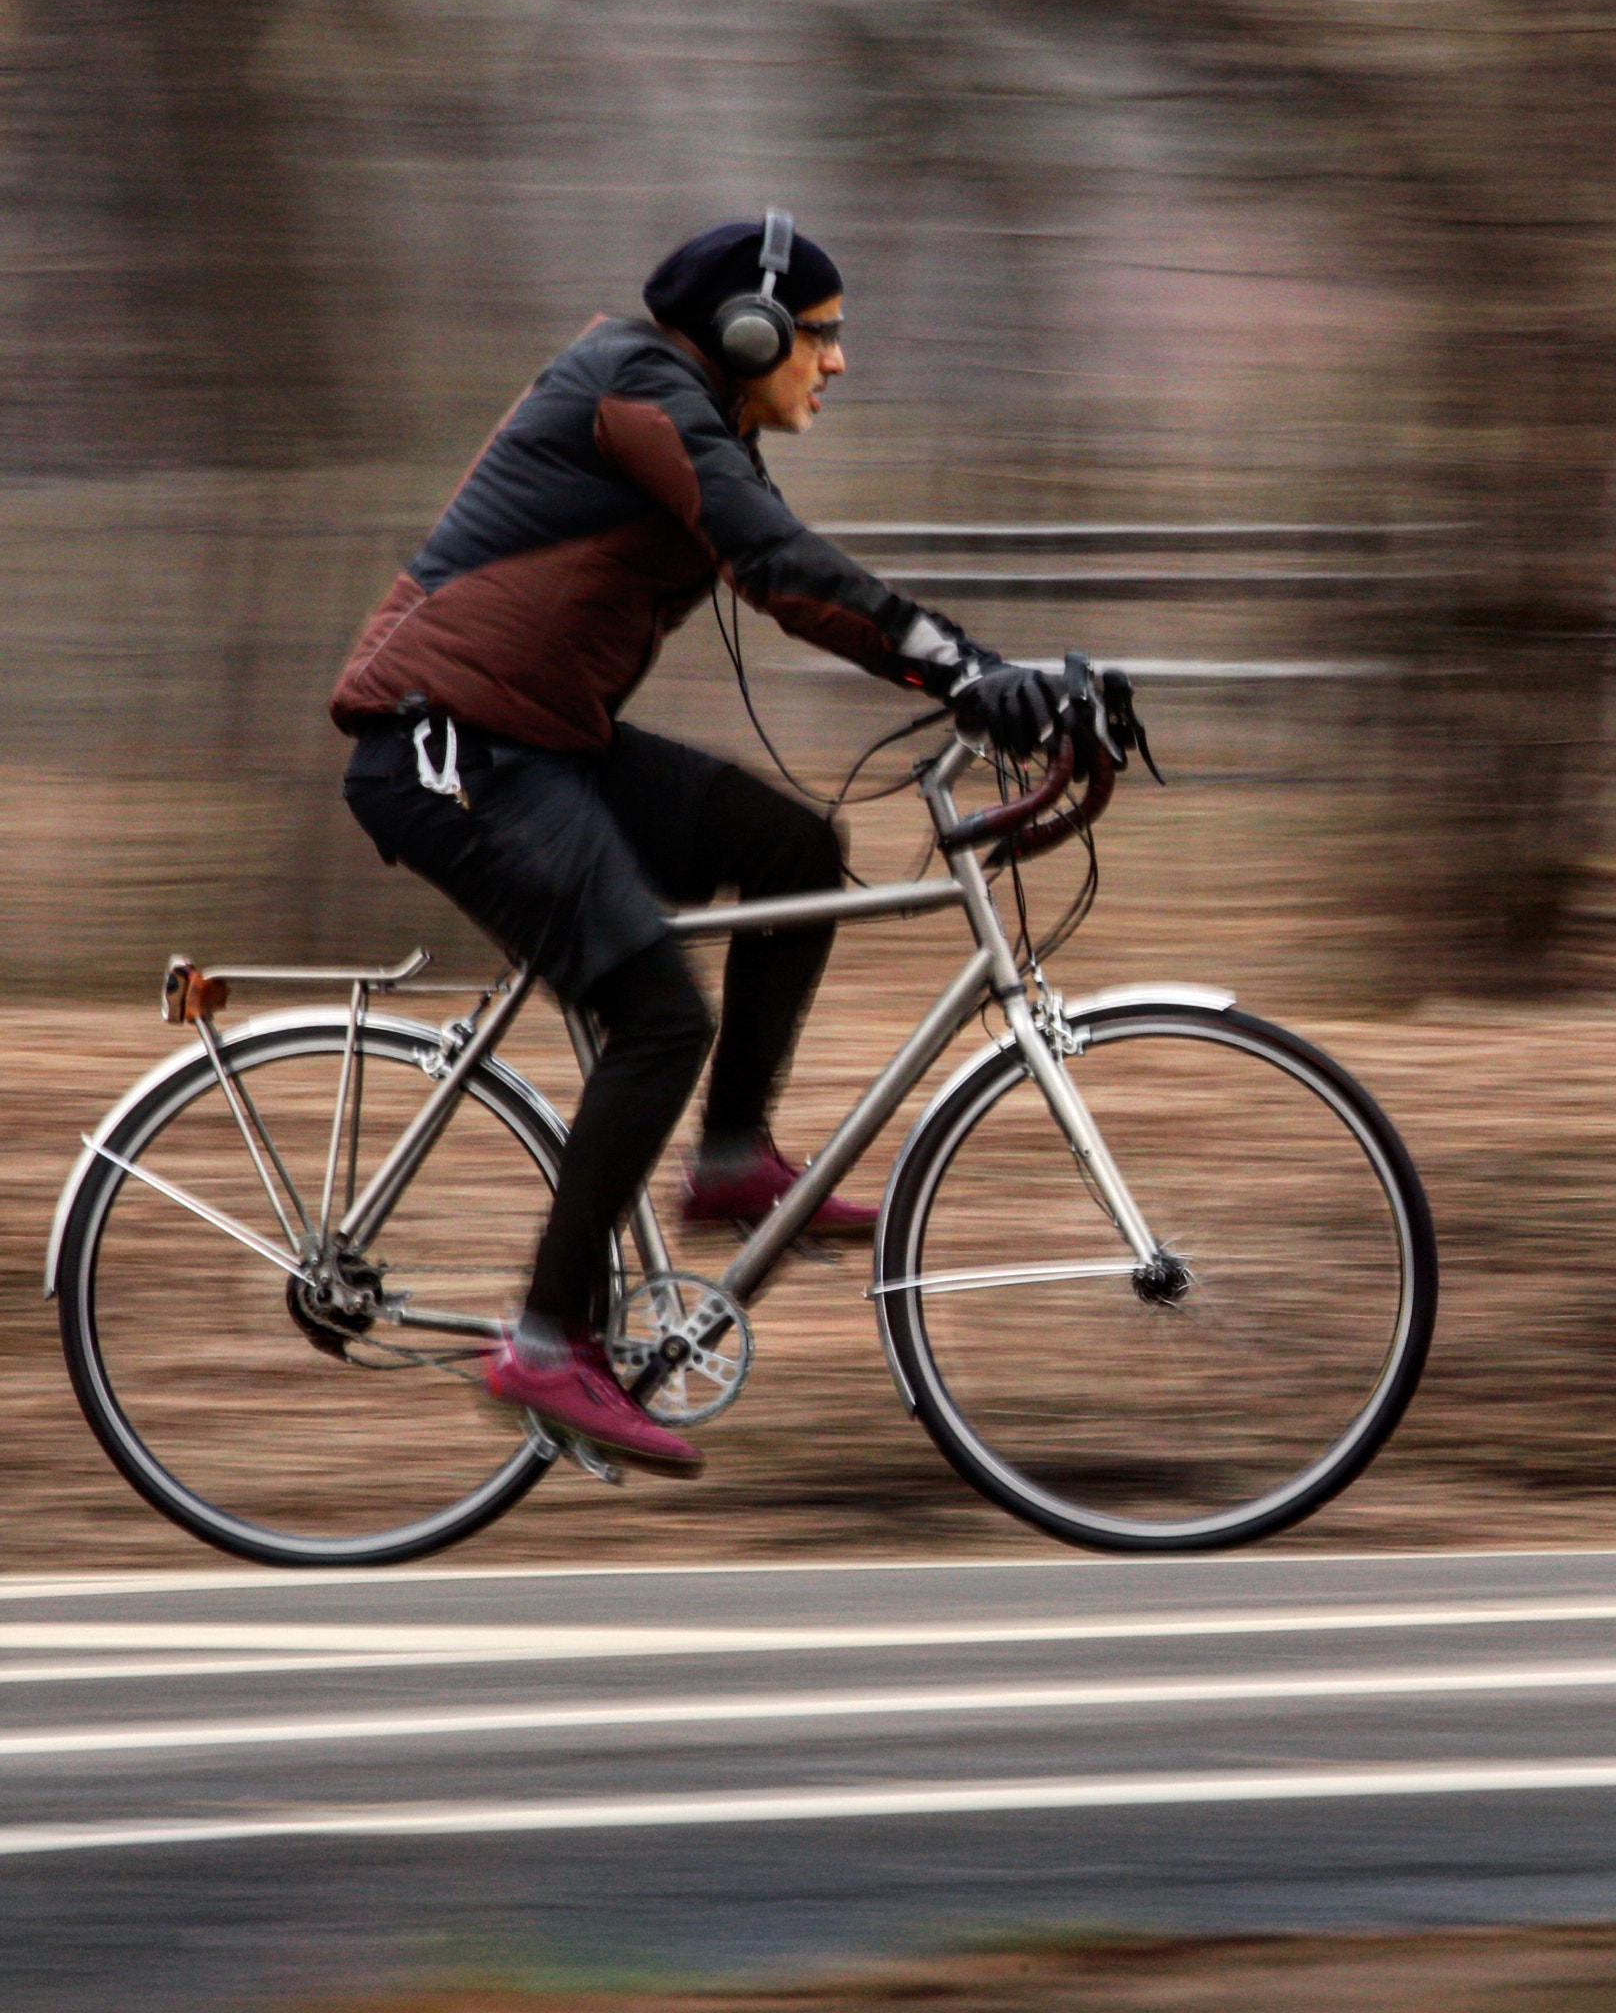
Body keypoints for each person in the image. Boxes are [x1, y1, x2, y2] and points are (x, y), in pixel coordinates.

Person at [330, 213, 1067, 1477]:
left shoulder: (688, 412)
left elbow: (790, 569)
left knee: (793, 848)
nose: (836, 366)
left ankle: (732, 1160)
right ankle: (548, 1340)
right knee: (659, 1014)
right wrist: (962, 670)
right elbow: (779, 566)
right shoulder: (639, 388)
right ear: (752, 328)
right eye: (823, 337)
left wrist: (1001, 676)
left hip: (540, 743)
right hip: (450, 750)